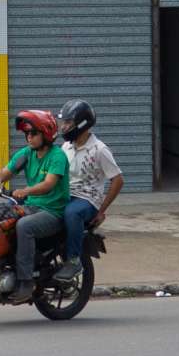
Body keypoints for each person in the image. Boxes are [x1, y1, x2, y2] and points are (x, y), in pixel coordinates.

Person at [0, 109, 69, 304]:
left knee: (23, 226)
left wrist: (26, 191)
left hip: (52, 212)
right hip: (32, 207)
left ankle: (25, 283)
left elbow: (49, 183)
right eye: (26, 134)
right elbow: (2, 174)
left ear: (46, 134)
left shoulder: (57, 156)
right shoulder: (26, 154)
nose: (29, 138)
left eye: (33, 134)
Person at [54, 98, 124, 282]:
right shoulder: (66, 146)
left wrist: (102, 210)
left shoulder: (99, 150)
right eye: (63, 122)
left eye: (68, 123)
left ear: (82, 124)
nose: (63, 127)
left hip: (87, 200)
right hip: (66, 194)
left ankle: (74, 260)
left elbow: (117, 180)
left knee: (72, 214)